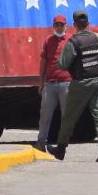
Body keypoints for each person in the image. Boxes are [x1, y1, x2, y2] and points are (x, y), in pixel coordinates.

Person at [50, 10, 98, 162]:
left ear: (74, 25)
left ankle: (61, 149)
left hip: (80, 84)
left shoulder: (73, 42)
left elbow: (63, 64)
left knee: (69, 117)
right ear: (88, 23)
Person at [33, 15, 70, 152]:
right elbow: (43, 62)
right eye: (57, 25)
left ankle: (62, 145)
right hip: (50, 84)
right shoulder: (48, 40)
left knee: (66, 116)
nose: (59, 27)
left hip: (66, 83)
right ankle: (41, 143)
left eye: (62, 25)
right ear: (53, 26)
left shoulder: (71, 40)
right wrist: (41, 82)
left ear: (66, 26)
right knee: (45, 115)